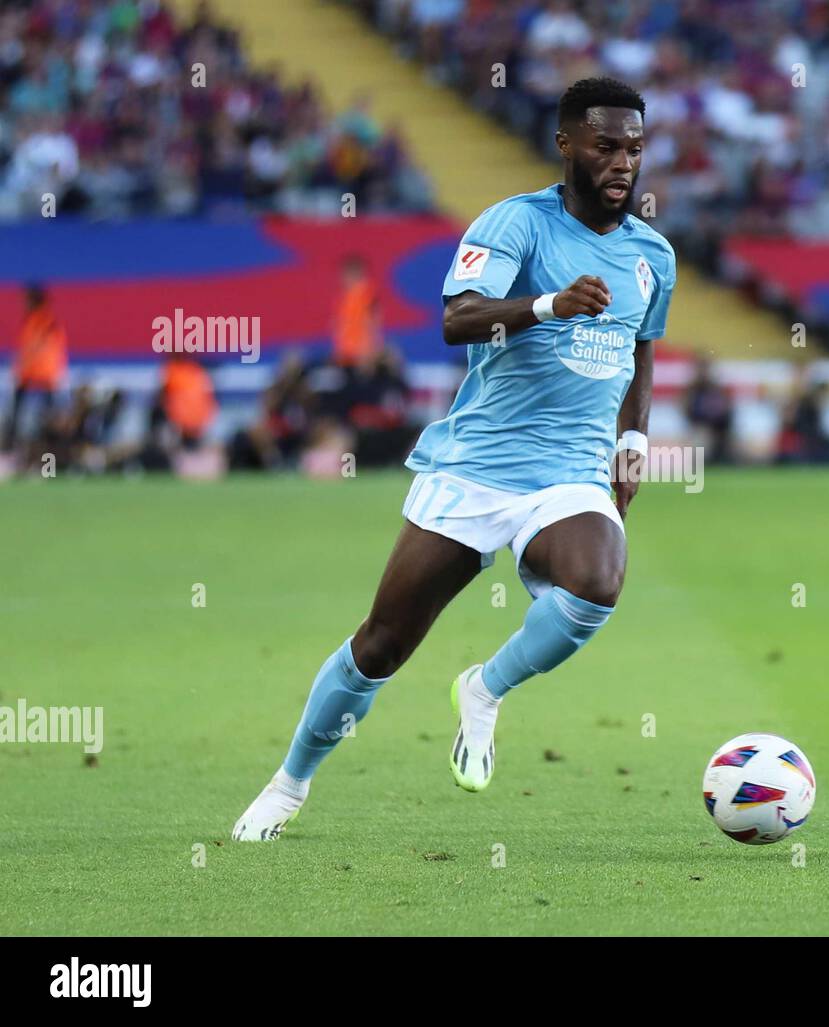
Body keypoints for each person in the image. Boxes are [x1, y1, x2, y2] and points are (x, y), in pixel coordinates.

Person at [233, 77, 676, 840]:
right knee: (381, 644)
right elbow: (457, 319)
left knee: (598, 578)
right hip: (475, 467)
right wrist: (548, 304)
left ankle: (484, 687)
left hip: (570, 471)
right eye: (606, 146)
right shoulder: (515, 224)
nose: (623, 163)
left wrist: (632, 442)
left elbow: (641, 354)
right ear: (567, 144)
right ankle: (289, 783)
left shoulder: (653, 255)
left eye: (634, 148)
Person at [4, 284, 68, 454]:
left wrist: (22, 368)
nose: (24, 303)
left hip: (42, 375)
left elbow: (38, 349)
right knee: (21, 415)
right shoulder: (34, 319)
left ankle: (50, 453)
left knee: (48, 417)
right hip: (34, 374)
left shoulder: (45, 321)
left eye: (27, 300)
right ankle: (16, 450)